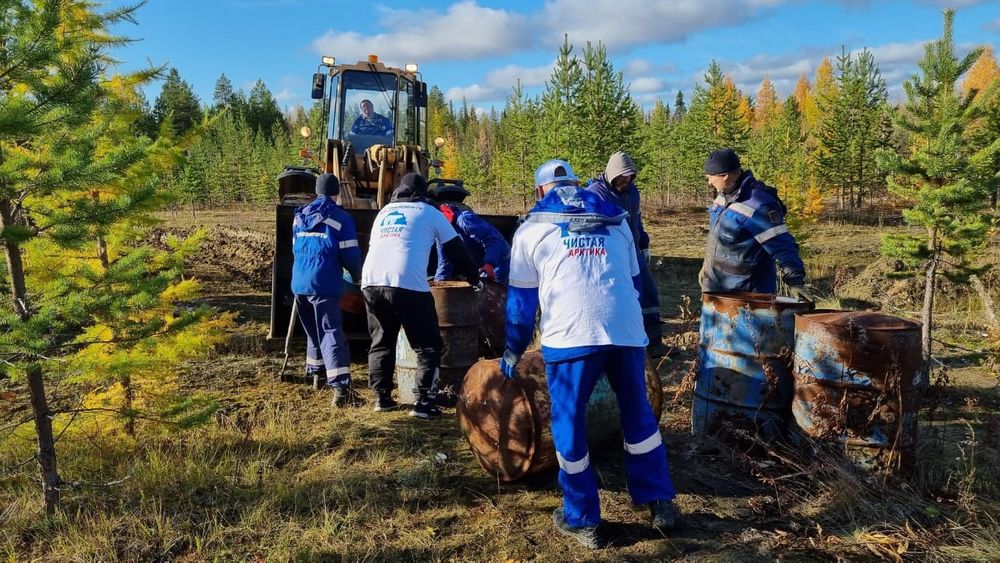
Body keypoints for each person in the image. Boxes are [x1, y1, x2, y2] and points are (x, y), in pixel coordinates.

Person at [500, 159, 681, 550]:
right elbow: (635, 280)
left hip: (570, 337)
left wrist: (513, 349)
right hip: (626, 332)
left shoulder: (532, 229)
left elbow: (520, 302)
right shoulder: (615, 220)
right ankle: (660, 501)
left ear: (539, 192)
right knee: (639, 417)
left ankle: (582, 519)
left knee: (569, 424)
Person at [361, 173, 479, 419]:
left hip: (371, 282)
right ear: (423, 193)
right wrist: (473, 277)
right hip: (407, 283)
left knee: (382, 340)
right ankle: (423, 402)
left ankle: (382, 398)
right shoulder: (428, 212)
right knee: (428, 345)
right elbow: (455, 248)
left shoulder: (383, 213)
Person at [700, 148, 812, 301]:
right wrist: (707, 269)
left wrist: (795, 280)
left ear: (725, 176)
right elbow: (718, 239)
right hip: (716, 290)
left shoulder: (758, 204)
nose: (709, 182)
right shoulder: (722, 197)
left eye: (711, 177)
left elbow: (782, 244)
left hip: (748, 298)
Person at [585, 151, 668, 357]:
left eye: (630, 176)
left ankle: (654, 341)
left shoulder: (632, 191)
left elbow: (637, 220)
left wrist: (643, 243)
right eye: (622, 176)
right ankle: (621, 342)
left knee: (647, 292)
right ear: (612, 174)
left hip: (634, 251)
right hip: (609, 255)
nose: (626, 180)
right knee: (619, 297)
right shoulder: (596, 193)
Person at [291, 174, 363, 407]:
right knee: (330, 331)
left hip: (299, 283)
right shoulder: (341, 218)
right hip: (324, 283)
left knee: (313, 330)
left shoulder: (299, 216)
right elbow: (350, 255)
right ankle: (341, 388)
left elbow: (295, 249)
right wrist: (359, 276)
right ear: (337, 192)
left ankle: (316, 374)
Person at [429, 182, 511, 286]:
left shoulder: (465, 220)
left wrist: (490, 264)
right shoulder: (440, 230)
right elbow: (445, 261)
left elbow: (493, 241)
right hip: (480, 263)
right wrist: (438, 284)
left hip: (499, 261)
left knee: (493, 293)